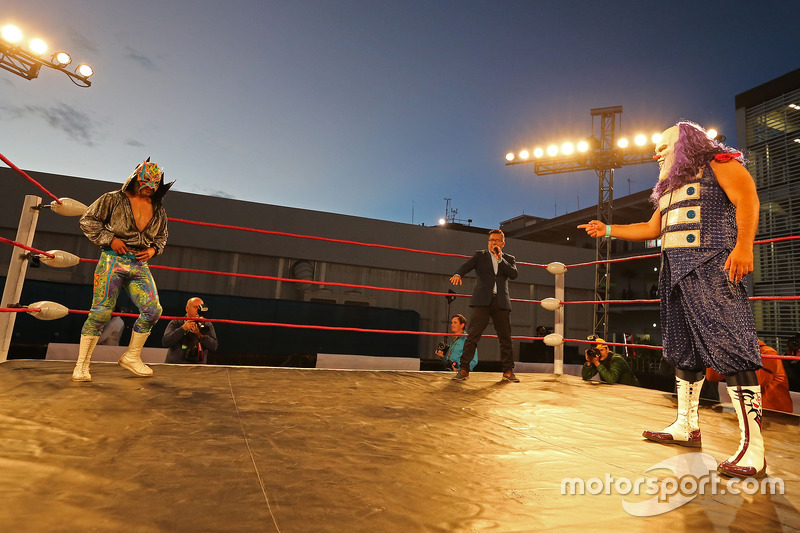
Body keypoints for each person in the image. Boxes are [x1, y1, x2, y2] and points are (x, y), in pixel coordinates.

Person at [579, 121, 766, 478]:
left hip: (714, 266)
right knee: (683, 349)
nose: (656, 154)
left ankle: (753, 446)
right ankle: (686, 425)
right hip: (674, 274)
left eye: (662, 147)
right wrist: (609, 230)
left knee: (733, 346)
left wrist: (744, 247)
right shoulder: (671, 186)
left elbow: (748, 199)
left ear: (685, 142)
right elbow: (652, 229)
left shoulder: (720, 164)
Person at [71, 158, 173, 382]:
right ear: (136, 178)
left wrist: (154, 249)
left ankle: (132, 356)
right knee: (100, 313)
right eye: (146, 182)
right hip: (112, 260)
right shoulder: (113, 199)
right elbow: (87, 220)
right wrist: (110, 239)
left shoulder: (158, 209)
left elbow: (162, 236)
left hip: (139, 264)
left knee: (153, 310)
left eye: (154, 183)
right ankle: (82, 365)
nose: (150, 187)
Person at [449, 229, 519, 382]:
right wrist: (458, 274)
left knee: (505, 338)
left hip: (501, 301)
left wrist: (500, 259)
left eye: (496, 240)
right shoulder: (480, 255)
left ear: (502, 243)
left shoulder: (509, 258)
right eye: (491, 240)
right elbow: (466, 266)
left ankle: (508, 371)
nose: (493, 242)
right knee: (472, 336)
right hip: (481, 301)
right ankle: (464, 370)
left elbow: (514, 274)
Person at [706, 340, 793, 413]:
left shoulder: (768, 352)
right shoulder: (731, 351)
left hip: (774, 415)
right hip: (746, 412)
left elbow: (757, 382)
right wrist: (718, 353)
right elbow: (712, 377)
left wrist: (735, 356)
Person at [162, 297, 219, 364]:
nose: (198, 310)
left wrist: (201, 335)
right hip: (175, 365)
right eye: (195, 307)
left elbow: (214, 346)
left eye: (200, 308)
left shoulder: (207, 324)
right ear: (187, 308)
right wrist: (183, 329)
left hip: (197, 366)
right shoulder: (176, 321)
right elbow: (166, 342)